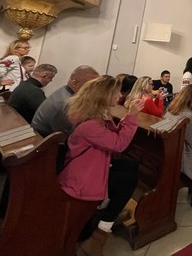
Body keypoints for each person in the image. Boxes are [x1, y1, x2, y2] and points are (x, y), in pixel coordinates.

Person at [58, 76, 142, 256]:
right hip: (82, 179)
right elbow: (118, 144)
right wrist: (132, 116)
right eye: (115, 92)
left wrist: (119, 117)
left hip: (93, 166)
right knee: (129, 179)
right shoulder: (90, 125)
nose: (119, 95)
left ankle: (106, 210)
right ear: (103, 96)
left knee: (131, 166)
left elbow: (112, 139)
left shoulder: (94, 114)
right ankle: (101, 232)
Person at [32, 65, 100, 136]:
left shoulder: (64, 90)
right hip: (44, 141)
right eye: (90, 86)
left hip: (42, 135)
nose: (94, 90)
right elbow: (68, 135)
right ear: (75, 83)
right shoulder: (66, 102)